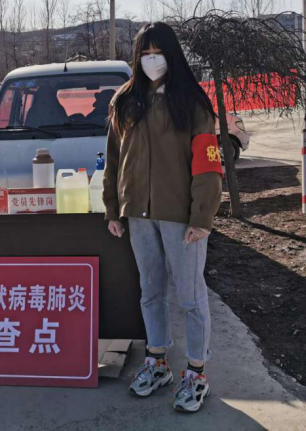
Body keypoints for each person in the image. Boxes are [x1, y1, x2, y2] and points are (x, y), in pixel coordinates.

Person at [103, 22, 223, 413]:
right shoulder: (125, 101)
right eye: (145, 53)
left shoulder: (192, 103)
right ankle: (157, 362)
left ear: (172, 55)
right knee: (151, 291)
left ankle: (197, 372)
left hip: (181, 217)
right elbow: (114, 160)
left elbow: (208, 164)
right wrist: (113, 208)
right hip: (138, 215)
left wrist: (202, 216)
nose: (152, 60)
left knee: (190, 296)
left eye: (158, 53)